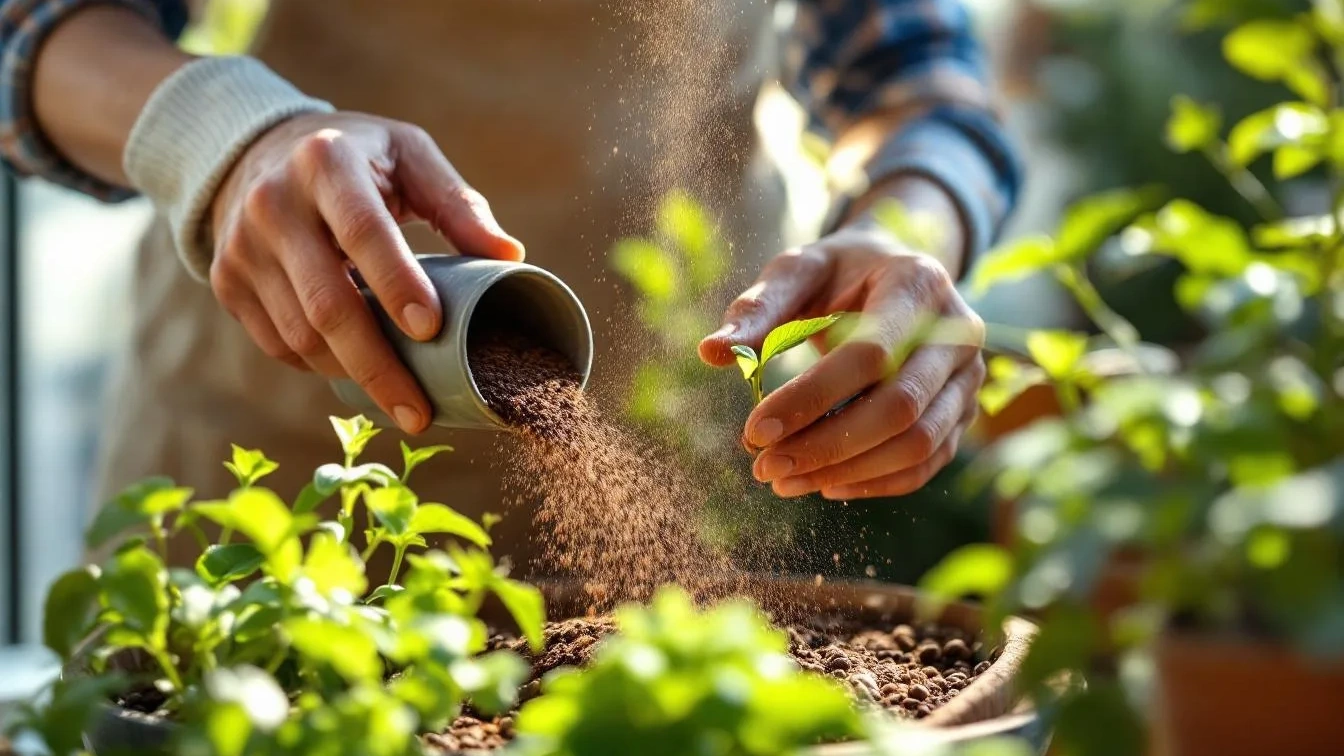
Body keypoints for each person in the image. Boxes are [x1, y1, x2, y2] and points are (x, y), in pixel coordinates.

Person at [0, 0, 1019, 568]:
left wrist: (905, 234)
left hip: (673, 452)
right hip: (280, 443)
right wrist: (224, 131)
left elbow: (922, 85)